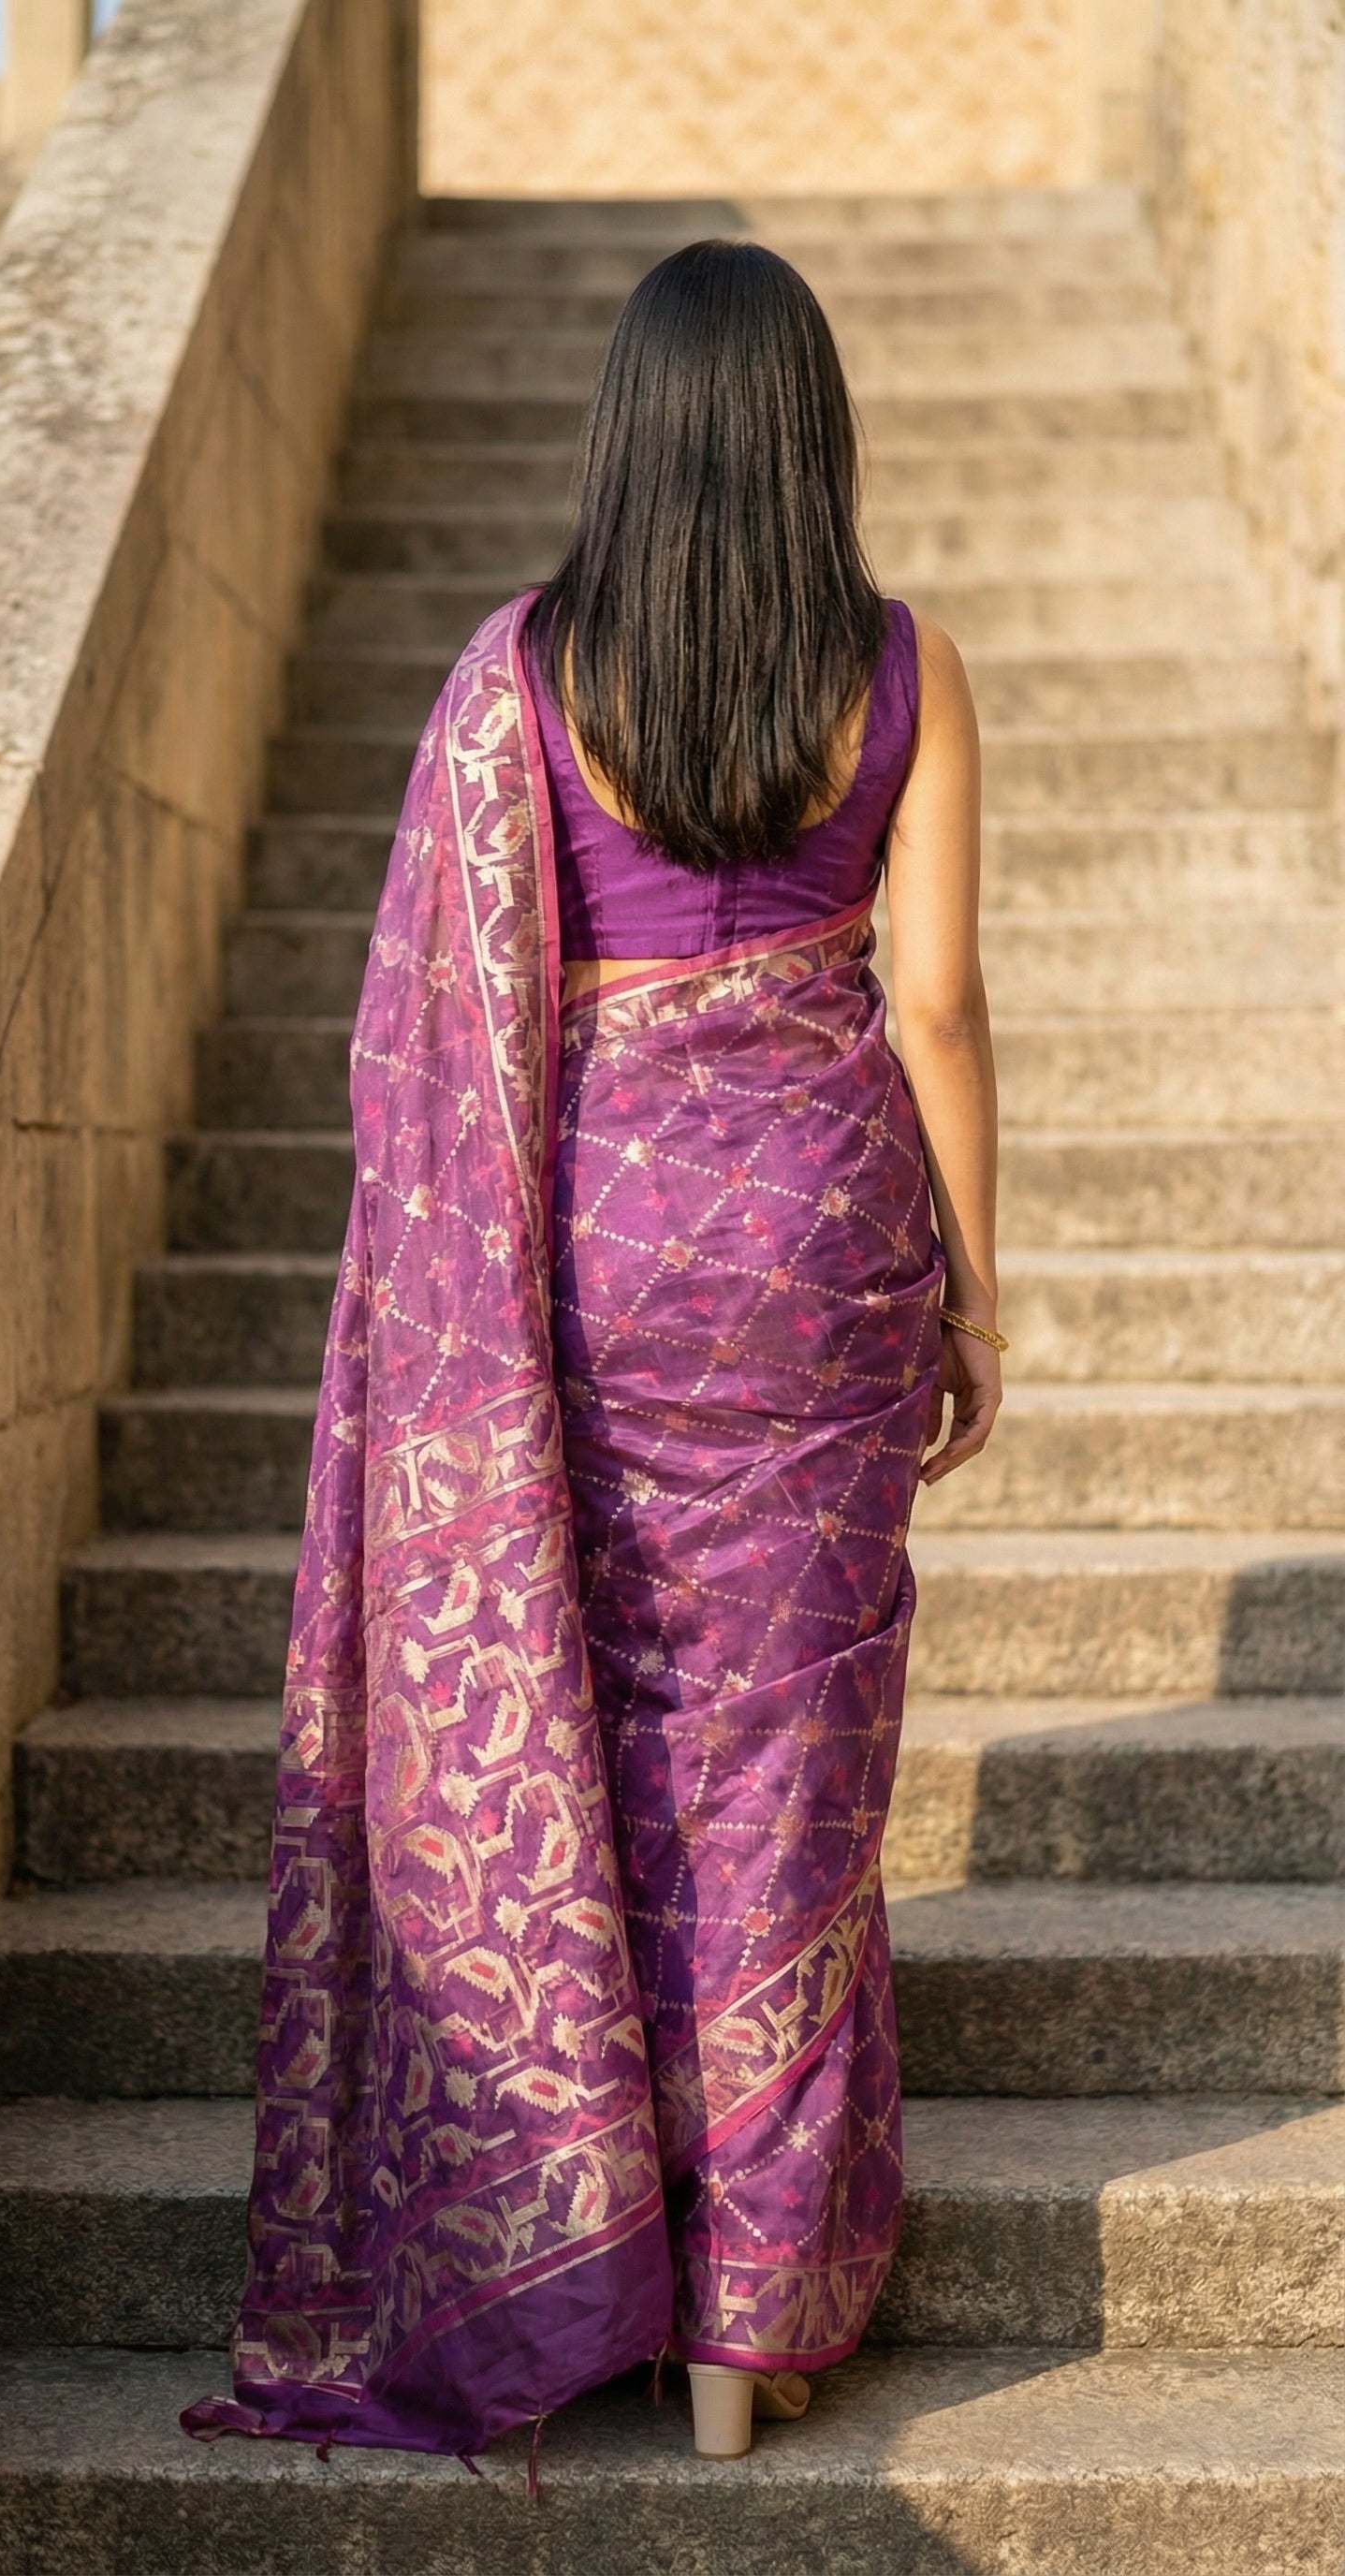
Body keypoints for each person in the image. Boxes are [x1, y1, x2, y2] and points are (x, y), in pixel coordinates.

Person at [183, 237, 1001, 2474]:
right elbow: (930, 1006)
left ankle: (607, 2270)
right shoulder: (905, 667)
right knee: (794, 1778)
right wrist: (974, 1286)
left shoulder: (525, 681)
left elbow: (458, 1042)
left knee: (615, 1739)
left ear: (627, 432)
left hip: (605, 1252)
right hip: (827, 1248)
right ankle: (755, 2330)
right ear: (815, 434)